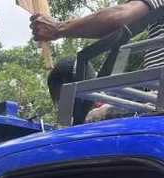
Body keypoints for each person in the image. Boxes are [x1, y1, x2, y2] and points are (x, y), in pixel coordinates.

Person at [32, 1, 164, 120]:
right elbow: (119, 26)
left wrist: (58, 28)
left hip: (158, 103)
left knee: (92, 120)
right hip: (154, 101)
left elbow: (118, 18)